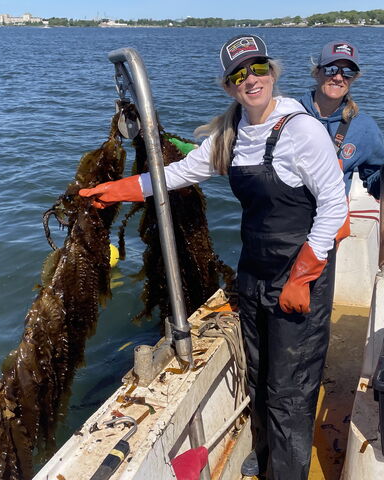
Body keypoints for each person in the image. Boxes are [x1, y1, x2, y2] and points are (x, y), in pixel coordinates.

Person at [80, 34, 348, 480]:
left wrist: (304, 275)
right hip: (255, 272)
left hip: (301, 271)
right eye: (239, 74)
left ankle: (286, 472)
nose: (251, 80)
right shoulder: (233, 131)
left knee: (291, 389)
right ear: (228, 86)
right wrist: (123, 190)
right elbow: (182, 172)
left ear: (273, 72)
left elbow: (334, 206)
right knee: (261, 373)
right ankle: (266, 460)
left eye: (258, 68)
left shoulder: (302, 130)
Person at [299, 40, 384, 200]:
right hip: (287, 218)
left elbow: (374, 182)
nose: (338, 77)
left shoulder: (364, 127)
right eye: (331, 70)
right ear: (317, 72)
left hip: (333, 220)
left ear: (354, 77)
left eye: (348, 72)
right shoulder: (291, 115)